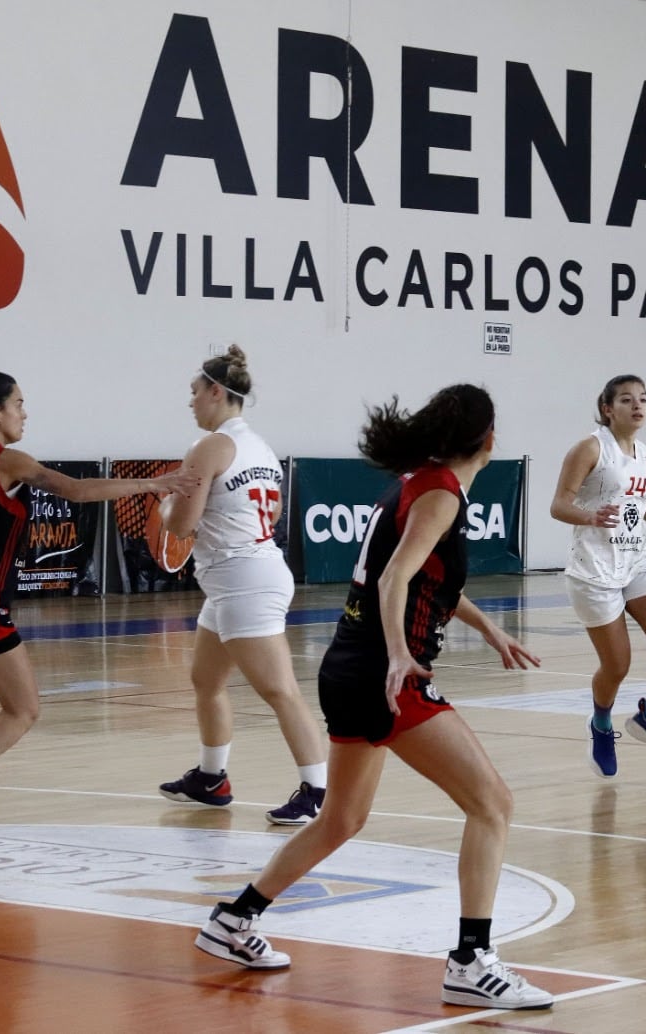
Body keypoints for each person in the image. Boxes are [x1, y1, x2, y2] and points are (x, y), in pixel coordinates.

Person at [192, 383, 553, 1011]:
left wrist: (488, 626)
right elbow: (394, 578)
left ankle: (234, 919)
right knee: (492, 803)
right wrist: (398, 655)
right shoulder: (439, 493)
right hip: (384, 675)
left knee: (342, 820)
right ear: (488, 439)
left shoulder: (423, 483)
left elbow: (424, 578)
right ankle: (471, 961)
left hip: (348, 667)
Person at [0, 362, 198, 829]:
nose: (24, 414)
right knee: (23, 710)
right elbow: (75, 489)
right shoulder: (6, 460)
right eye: (19, 404)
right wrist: (151, 483)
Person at [155, 345, 329, 826]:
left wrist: (165, 503)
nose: (190, 402)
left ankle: (318, 791)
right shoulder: (262, 448)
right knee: (206, 681)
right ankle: (212, 779)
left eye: (194, 392)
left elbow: (183, 525)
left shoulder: (208, 448)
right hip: (247, 573)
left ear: (216, 392)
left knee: (280, 690)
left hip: (243, 579)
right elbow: (270, 513)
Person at [550, 374, 646, 779]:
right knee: (617, 665)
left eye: (643, 399)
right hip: (594, 568)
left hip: (637, 560)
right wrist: (589, 515)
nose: (638, 406)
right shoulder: (589, 448)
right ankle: (600, 725)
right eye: (627, 399)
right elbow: (558, 505)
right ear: (607, 409)